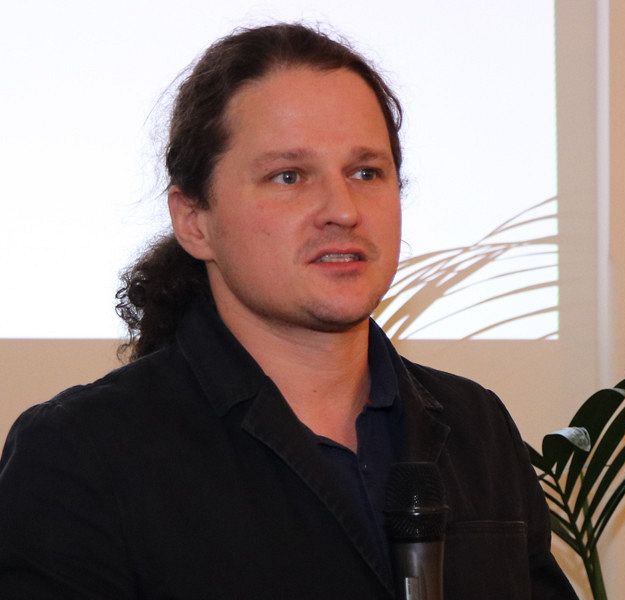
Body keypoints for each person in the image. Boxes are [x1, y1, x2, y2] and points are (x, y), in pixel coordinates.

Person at [0, 23, 577, 599]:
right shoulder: (83, 451)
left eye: (366, 172)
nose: (343, 210)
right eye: (289, 176)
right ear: (194, 221)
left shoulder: (476, 425)